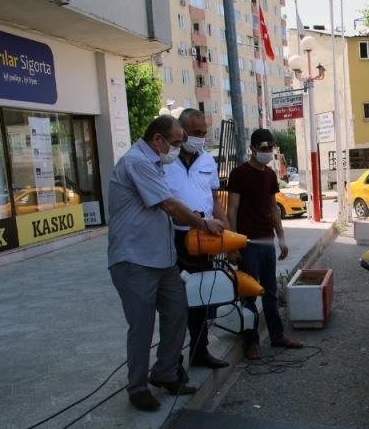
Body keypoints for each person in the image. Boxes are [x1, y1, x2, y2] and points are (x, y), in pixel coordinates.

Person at [108, 115, 225, 411]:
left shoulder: (157, 163)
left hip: (162, 259)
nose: (178, 148)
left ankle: (165, 372)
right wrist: (202, 223)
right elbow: (169, 205)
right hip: (134, 259)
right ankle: (137, 388)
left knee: (177, 313)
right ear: (157, 140)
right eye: (175, 143)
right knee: (142, 326)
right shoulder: (137, 162)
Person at [227, 128, 303, 360]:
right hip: (247, 243)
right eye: (263, 149)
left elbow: (272, 207)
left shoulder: (270, 176)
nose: (267, 152)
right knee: (249, 293)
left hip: (266, 241)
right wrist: (232, 245)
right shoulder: (239, 174)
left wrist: (281, 238)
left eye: (270, 148)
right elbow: (232, 209)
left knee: (270, 292)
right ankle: (251, 342)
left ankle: (277, 336)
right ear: (252, 148)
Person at [165, 109, 230, 371]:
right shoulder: (166, 161)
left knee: (202, 296)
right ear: (181, 131)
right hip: (173, 238)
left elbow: (214, 200)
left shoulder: (207, 161)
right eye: (196, 133)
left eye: (204, 133)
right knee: (176, 302)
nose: (201, 138)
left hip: (204, 236)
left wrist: (227, 229)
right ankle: (173, 360)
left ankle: (199, 350)